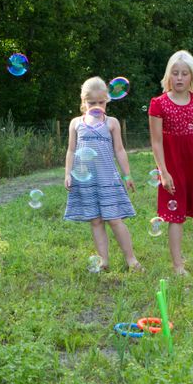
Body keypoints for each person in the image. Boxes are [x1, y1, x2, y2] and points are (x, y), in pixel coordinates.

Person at [64, 76, 142, 271]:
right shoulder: (76, 123)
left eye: (101, 102)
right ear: (84, 102)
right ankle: (104, 261)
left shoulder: (111, 123)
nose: (97, 106)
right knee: (96, 221)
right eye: (92, 103)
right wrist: (67, 173)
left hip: (108, 179)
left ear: (107, 100)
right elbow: (71, 150)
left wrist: (127, 175)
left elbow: (120, 150)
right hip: (86, 181)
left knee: (114, 219)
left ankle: (131, 259)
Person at [148, 50, 193, 275]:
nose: (180, 78)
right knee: (176, 217)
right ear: (168, 76)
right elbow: (156, 142)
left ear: (192, 77)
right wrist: (163, 172)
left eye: (185, 73)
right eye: (175, 73)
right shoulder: (159, 104)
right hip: (172, 167)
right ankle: (178, 266)